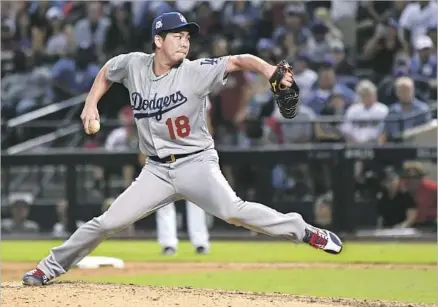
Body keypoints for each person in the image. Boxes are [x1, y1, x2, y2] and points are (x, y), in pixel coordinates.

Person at [22, 12, 343, 286]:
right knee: (107, 223)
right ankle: (48, 268)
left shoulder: (196, 71)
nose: (185, 41)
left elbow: (237, 60)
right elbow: (108, 70)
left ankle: (301, 229)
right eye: (177, 36)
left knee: (234, 212)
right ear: (158, 40)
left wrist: (269, 70)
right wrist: (91, 103)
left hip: (196, 164)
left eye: (187, 36)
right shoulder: (135, 65)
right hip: (157, 170)